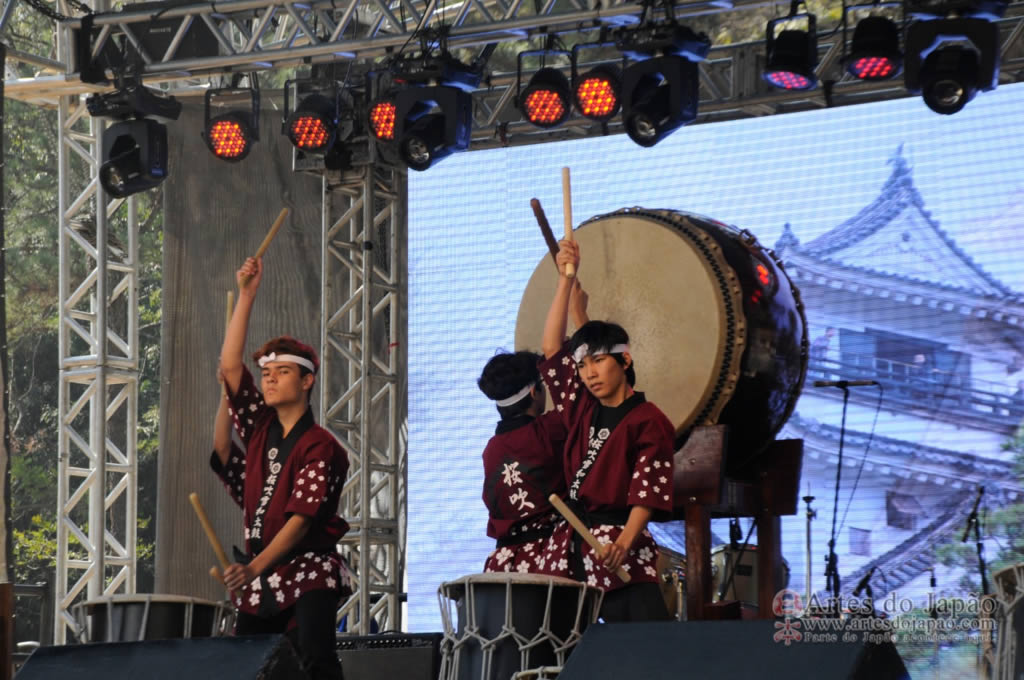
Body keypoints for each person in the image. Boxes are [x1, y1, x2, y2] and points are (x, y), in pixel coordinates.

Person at [213, 256, 348, 680]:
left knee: (314, 660)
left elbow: (300, 522)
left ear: (307, 380)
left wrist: (253, 567)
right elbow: (232, 369)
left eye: (281, 372)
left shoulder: (320, 446)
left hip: (307, 567)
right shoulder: (259, 428)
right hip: (261, 574)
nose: (268, 379)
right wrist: (247, 295)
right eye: (266, 373)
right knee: (252, 667)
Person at [538, 239, 675, 622]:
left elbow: (645, 492)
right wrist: (565, 282)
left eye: (599, 362)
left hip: (618, 548)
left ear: (624, 359)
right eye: (583, 367)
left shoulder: (649, 420)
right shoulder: (582, 407)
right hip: (570, 548)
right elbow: (552, 347)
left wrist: (623, 543)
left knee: (642, 652)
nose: (589, 374)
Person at [478, 351, 568, 574]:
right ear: (534, 391)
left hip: (505, 565)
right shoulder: (550, 429)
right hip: (553, 556)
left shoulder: (491, 450)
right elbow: (579, 402)